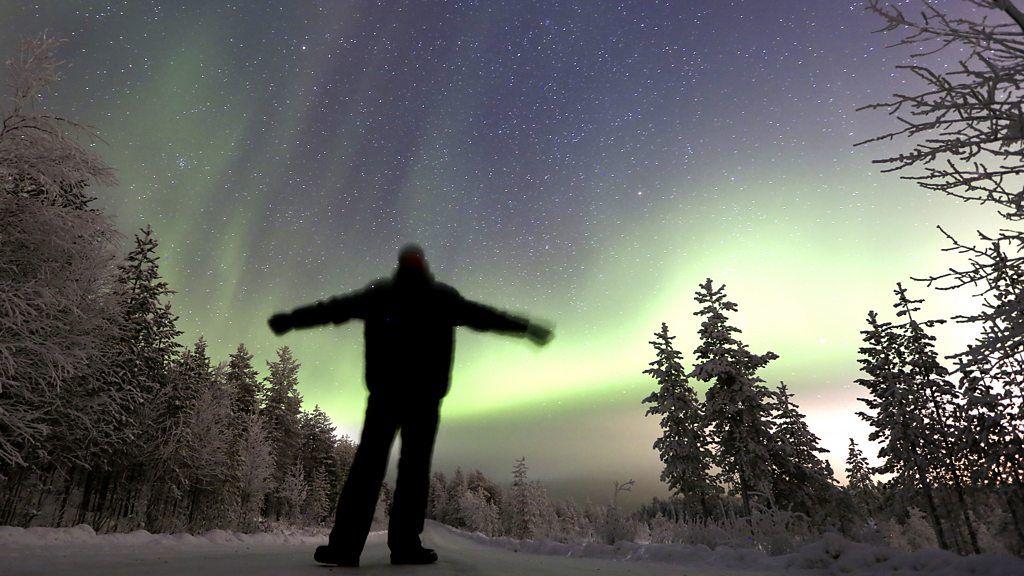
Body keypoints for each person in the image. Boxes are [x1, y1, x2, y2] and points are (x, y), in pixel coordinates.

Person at [267, 244, 553, 567]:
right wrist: (525, 329)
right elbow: (483, 317)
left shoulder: (387, 294)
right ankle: (400, 547)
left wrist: (291, 320)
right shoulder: (436, 296)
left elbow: (332, 310)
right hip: (419, 397)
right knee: (406, 471)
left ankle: (350, 547)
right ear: (421, 266)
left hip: (394, 395)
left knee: (372, 469)